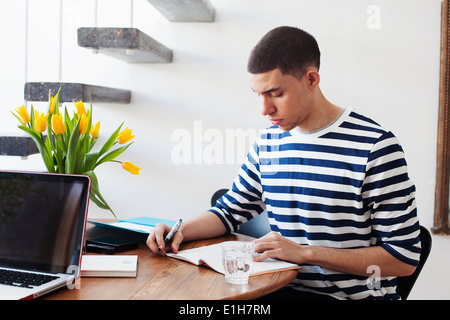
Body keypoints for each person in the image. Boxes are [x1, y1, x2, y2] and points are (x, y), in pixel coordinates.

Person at [147, 26, 421, 300]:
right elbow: (230, 211)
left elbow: (404, 258)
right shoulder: (269, 142)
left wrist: (304, 253)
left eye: (275, 94)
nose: (264, 110)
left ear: (311, 79)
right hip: (277, 290)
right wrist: (178, 231)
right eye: (259, 95)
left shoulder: (375, 147)